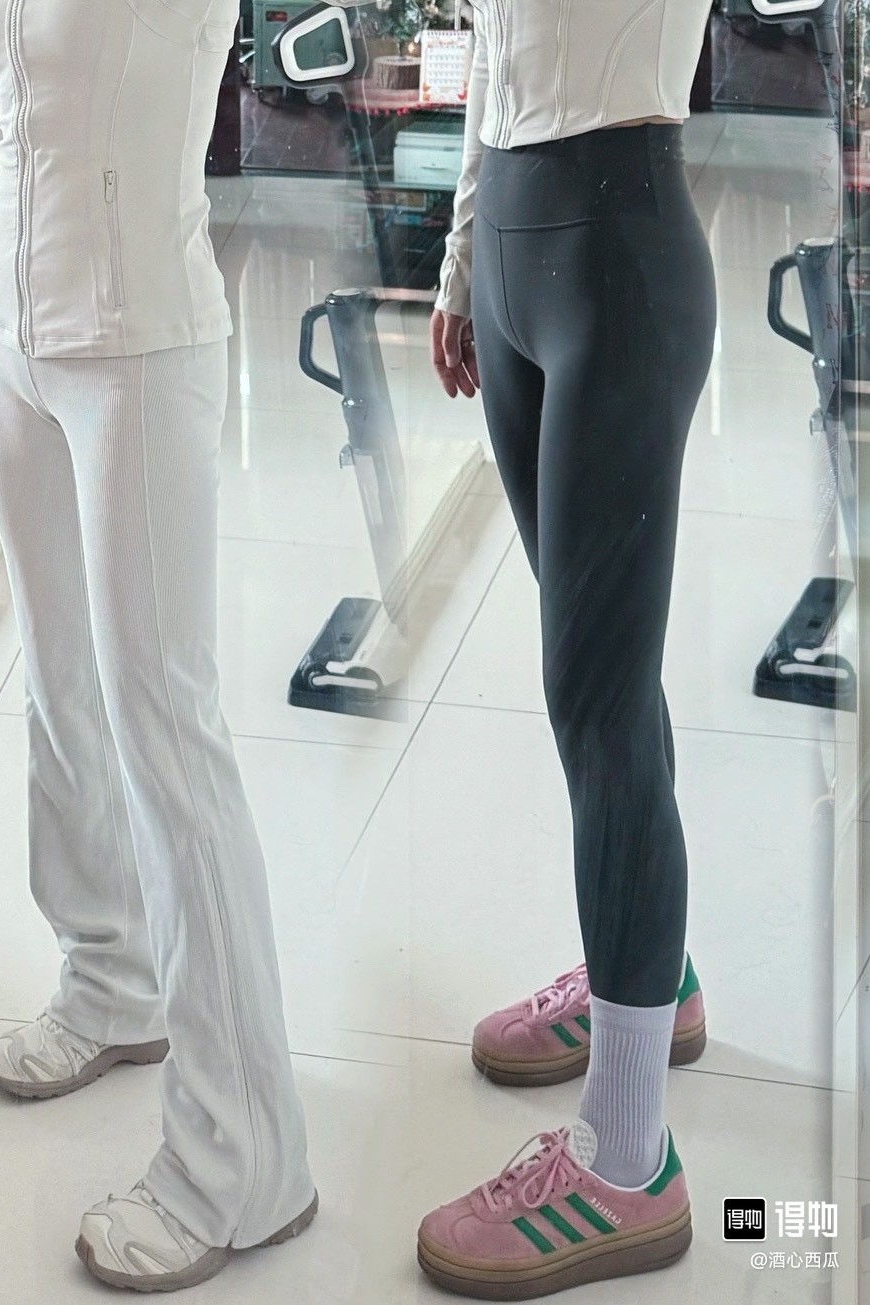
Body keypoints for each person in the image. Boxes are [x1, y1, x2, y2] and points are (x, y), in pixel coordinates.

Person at [0, 0, 316, 1293]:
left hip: (138, 343)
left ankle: (245, 1161)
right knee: (59, 690)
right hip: (12, 332)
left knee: (166, 734)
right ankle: (109, 977)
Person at [420, 0, 717, 1297]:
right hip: (513, 251)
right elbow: (497, 55)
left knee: (595, 694)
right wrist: (462, 258)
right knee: (598, 678)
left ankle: (627, 1159)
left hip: (616, 259)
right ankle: (650, 979)